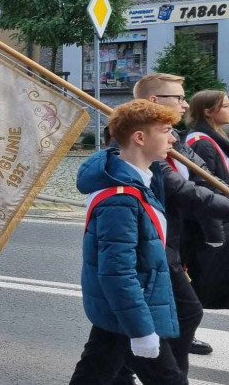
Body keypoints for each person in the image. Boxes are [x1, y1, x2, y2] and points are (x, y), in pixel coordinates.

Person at [70, 99, 185, 385]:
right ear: (140, 137)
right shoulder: (121, 198)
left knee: (96, 373)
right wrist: (142, 331)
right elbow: (117, 273)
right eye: (166, 130)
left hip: (126, 311)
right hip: (135, 311)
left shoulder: (141, 181)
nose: (173, 138)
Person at [127, 73, 225, 366]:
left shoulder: (173, 136)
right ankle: (168, 371)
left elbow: (203, 176)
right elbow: (182, 189)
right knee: (186, 311)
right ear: (155, 101)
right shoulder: (139, 139)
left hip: (175, 239)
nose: (185, 105)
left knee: (120, 329)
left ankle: (146, 367)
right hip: (151, 241)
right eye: (179, 98)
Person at [183, 91, 229, 310]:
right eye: (226, 106)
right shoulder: (202, 143)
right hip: (218, 224)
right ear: (208, 112)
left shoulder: (215, 137)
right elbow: (206, 188)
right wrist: (215, 235)